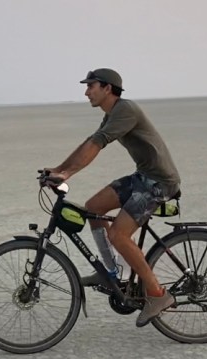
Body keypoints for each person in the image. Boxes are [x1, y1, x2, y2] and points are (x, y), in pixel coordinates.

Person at [44, 68, 182, 327]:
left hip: (159, 182)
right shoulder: (112, 113)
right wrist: (59, 169)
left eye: (91, 86)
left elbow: (98, 144)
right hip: (143, 176)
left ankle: (157, 294)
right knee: (94, 208)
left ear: (107, 88)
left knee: (118, 234)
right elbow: (90, 141)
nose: (86, 92)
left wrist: (68, 174)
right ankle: (111, 273)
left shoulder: (125, 110)